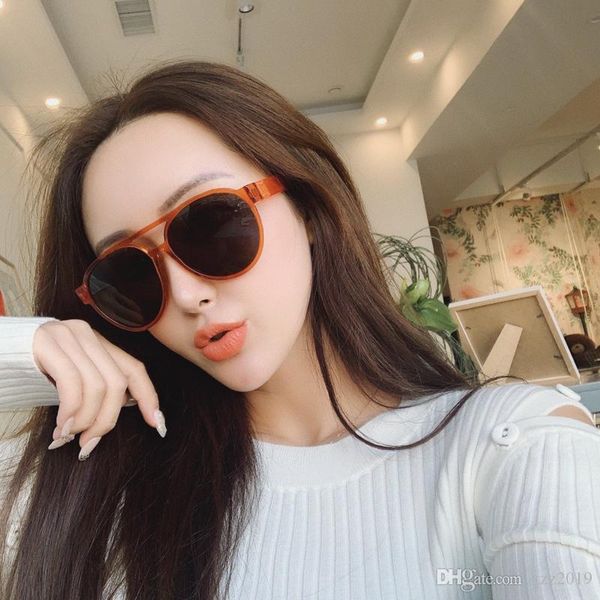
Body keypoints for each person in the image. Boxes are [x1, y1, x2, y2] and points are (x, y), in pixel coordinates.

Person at [0, 60, 599, 600]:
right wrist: (27, 351)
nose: (186, 295)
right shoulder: (95, 487)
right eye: (129, 274)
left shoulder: (510, 445)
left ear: (308, 209)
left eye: (210, 225)